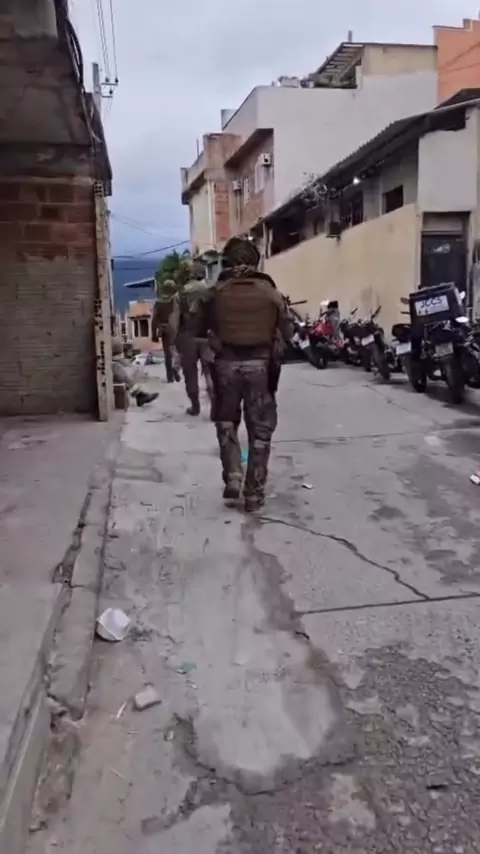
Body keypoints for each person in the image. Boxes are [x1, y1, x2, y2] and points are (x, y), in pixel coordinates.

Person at [199, 237, 293, 512]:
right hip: (261, 368)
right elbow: (288, 332)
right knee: (260, 431)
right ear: (254, 262)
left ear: (227, 262)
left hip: (225, 367)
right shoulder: (271, 293)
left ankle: (233, 475)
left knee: (226, 422)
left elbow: (197, 328)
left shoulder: (215, 293)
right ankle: (253, 493)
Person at [169, 261, 213, 415]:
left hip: (187, 337)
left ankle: (195, 406)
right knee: (210, 371)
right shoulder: (210, 291)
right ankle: (215, 406)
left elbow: (174, 322)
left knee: (190, 373)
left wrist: (173, 342)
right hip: (208, 336)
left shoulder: (180, 294)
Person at [111, 337, 159, 407]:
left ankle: (140, 395)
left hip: (114, 358)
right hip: (109, 364)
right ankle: (140, 396)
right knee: (122, 373)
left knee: (133, 370)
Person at [151, 279, 181, 383]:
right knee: (178, 351)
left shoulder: (158, 301)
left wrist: (153, 334)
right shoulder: (176, 300)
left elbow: (154, 319)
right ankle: (176, 368)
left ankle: (169, 377)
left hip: (163, 329)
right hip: (175, 328)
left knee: (167, 353)